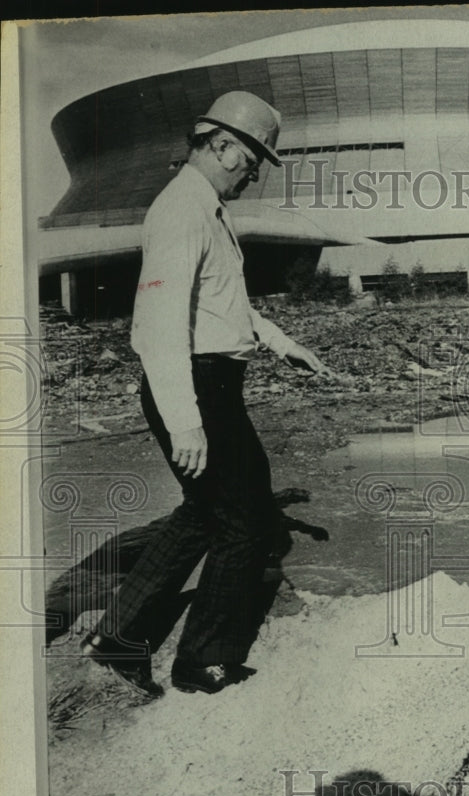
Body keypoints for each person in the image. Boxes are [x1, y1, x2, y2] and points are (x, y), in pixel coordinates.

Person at [82, 91, 333, 696]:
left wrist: (278, 341)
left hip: (207, 381)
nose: (252, 175)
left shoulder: (203, 208)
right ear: (222, 145)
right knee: (245, 523)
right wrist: (185, 420)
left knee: (204, 511)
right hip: (196, 386)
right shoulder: (181, 211)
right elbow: (159, 319)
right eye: (251, 161)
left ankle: (120, 638)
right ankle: (204, 662)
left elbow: (221, 304)